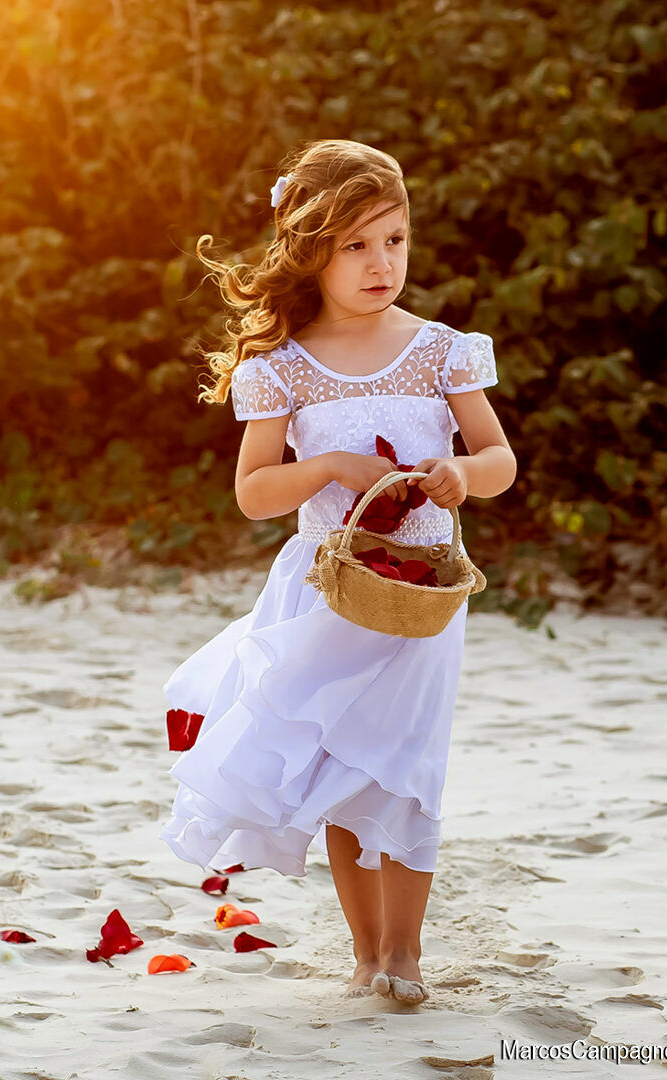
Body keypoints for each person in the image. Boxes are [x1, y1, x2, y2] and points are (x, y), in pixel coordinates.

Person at [158, 139, 517, 1007]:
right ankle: (367, 954)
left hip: (422, 593)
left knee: (407, 764)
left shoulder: (440, 351)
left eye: (393, 240)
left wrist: (462, 475)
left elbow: (500, 458)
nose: (379, 263)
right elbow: (253, 492)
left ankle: (408, 953)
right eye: (355, 245)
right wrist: (328, 468)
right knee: (344, 773)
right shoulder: (283, 366)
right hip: (329, 593)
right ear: (309, 249)